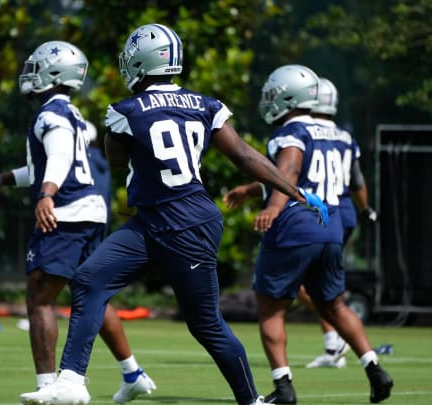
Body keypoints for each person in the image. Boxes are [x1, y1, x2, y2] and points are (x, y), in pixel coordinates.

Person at [37, 24, 326, 405]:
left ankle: (252, 401)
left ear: (141, 61)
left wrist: (129, 184)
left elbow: (117, 156)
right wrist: (295, 191)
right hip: (162, 220)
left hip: (183, 225)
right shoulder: (206, 105)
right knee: (89, 278)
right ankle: (72, 381)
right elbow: (244, 156)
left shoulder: (125, 111)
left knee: (205, 324)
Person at [0, 40, 155, 405]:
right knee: (92, 297)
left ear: (53, 74)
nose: (31, 74)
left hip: (65, 212)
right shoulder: (71, 115)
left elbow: (56, 160)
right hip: (88, 211)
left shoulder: (50, 115)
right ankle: (132, 373)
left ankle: (47, 385)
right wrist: (1, 179)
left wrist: (46, 195)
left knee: (40, 298)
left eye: (37, 68)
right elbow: (45, 166)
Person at [223, 65, 392, 404]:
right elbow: (296, 177)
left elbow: (289, 170)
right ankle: (374, 368)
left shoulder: (291, 132)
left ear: (288, 96)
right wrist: (251, 189)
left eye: (272, 93)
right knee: (335, 304)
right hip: (329, 224)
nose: (267, 100)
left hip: (294, 224)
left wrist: (272, 208)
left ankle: (283, 388)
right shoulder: (339, 134)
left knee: (271, 306)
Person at [299, 77, 378, 369]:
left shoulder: (303, 133)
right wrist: (367, 208)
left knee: (303, 285)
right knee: (319, 284)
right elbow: (357, 181)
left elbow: (290, 175)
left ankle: (337, 336)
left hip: (321, 213)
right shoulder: (345, 136)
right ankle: (335, 342)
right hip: (344, 212)